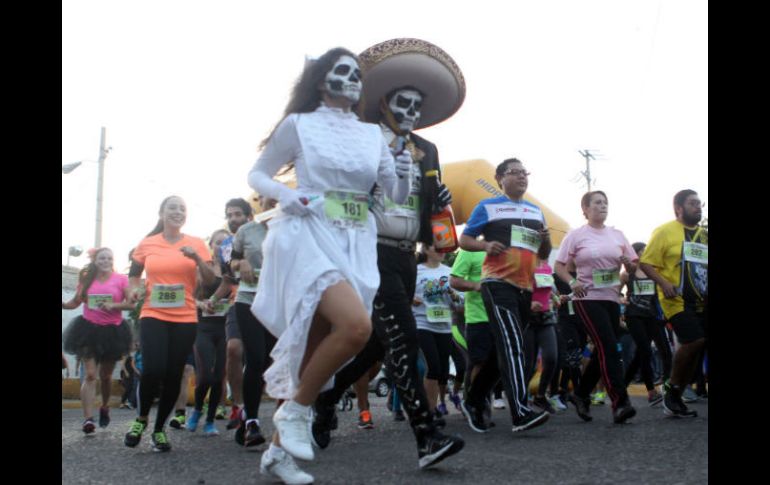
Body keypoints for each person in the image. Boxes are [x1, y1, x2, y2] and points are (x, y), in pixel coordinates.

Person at [247, 47, 414, 484]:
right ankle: (298, 412)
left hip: (355, 240)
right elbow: (259, 174)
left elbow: (394, 196)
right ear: (322, 82)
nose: (354, 78)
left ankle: (277, 455)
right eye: (343, 71)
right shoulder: (298, 125)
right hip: (307, 234)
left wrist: (404, 169)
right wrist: (287, 196)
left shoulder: (371, 134)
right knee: (357, 328)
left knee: (315, 349)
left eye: (357, 73)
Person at [311, 38, 465, 469]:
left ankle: (325, 400)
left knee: (379, 346)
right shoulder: (360, 140)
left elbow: (432, 204)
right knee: (404, 336)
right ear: (382, 103)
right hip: (368, 252)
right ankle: (426, 436)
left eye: (417, 105)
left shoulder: (427, 150)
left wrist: (440, 201)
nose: (411, 112)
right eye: (403, 102)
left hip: (407, 254)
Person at [459, 158, 551, 433]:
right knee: (513, 346)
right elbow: (464, 239)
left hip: (525, 286)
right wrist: (485, 244)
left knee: (504, 351)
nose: (522, 177)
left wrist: (544, 238)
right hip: (496, 283)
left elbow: (543, 254)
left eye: (525, 172)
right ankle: (520, 412)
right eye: (515, 172)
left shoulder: (536, 211)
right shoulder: (487, 206)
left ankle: (473, 400)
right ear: (500, 178)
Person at [123, 195, 216, 452]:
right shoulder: (147, 243)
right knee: (153, 369)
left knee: (174, 374)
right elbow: (133, 276)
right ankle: (141, 420)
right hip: (153, 312)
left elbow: (210, 281)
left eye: (182, 209)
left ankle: (159, 430)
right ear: (162, 213)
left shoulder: (196, 243)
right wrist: (133, 291)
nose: (177, 212)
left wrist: (197, 258)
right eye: (172, 208)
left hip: (185, 316)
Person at [554, 190, 638, 424]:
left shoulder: (617, 235)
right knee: (609, 347)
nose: (603, 206)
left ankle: (580, 395)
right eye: (597, 203)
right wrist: (572, 282)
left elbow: (632, 269)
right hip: (587, 297)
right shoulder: (576, 235)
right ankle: (620, 403)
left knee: (604, 349)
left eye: (605, 202)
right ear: (586, 209)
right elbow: (559, 265)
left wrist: (627, 265)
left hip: (611, 298)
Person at [639, 189, 707, 418]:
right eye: (692, 203)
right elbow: (646, 263)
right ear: (679, 207)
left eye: (700, 203)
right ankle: (671, 390)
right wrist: (664, 283)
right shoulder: (665, 231)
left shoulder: (703, 235)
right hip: (675, 300)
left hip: (702, 300)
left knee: (698, 347)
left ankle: (675, 395)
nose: (698, 207)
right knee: (694, 340)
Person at [62, 247, 134, 434]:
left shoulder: (121, 279)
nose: (105, 261)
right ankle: (88, 419)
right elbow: (75, 302)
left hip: (113, 332)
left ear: (113, 260)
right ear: (95, 260)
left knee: (106, 376)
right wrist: (63, 304)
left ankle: (104, 406)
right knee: (91, 374)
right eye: (102, 258)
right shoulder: (87, 280)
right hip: (88, 329)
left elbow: (131, 303)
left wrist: (114, 305)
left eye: (109, 258)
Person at [227, 194, 278, 447]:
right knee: (255, 358)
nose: (273, 203)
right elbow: (231, 263)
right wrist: (242, 262)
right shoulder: (247, 230)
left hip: (278, 302)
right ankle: (252, 424)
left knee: (272, 360)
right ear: (261, 201)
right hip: (249, 300)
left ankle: (250, 412)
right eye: (269, 198)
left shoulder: (293, 228)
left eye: (278, 199)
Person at [185, 229, 232, 436]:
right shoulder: (202, 268)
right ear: (210, 245)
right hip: (203, 327)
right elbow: (188, 297)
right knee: (205, 377)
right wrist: (201, 305)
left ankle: (210, 420)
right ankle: (196, 411)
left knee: (219, 375)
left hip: (226, 327)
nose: (221, 247)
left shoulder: (234, 269)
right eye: (217, 243)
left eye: (225, 243)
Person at [412, 245, 460, 421]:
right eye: (436, 246)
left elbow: (460, 304)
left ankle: (431, 409)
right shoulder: (415, 271)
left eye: (443, 247)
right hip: (422, 323)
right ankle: (430, 411)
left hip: (444, 326)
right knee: (432, 367)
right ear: (425, 248)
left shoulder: (449, 272)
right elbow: (401, 293)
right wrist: (411, 299)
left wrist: (453, 295)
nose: (441, 250)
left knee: (441, 371)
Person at [621, 242, 671, 406]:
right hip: (634, 316)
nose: (647, 253)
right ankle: (651, 392)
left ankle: (622, 386)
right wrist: (621, 300)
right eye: (643, 251)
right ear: (636, 254)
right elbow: (615, 291)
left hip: (653, 317)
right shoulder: (628, 273)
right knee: (645, 350)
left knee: (663, 350)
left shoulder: (653, 272)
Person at [523, 258, 560, 414]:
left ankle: (540, 395)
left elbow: (549, 288)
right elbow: (515, 290)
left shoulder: (546, 266)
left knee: (552, 358)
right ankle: (521, 399)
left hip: (546, 318)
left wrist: (555, 297)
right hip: (527, 319)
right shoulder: (522, 263)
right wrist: (528, 304)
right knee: (529, 364)